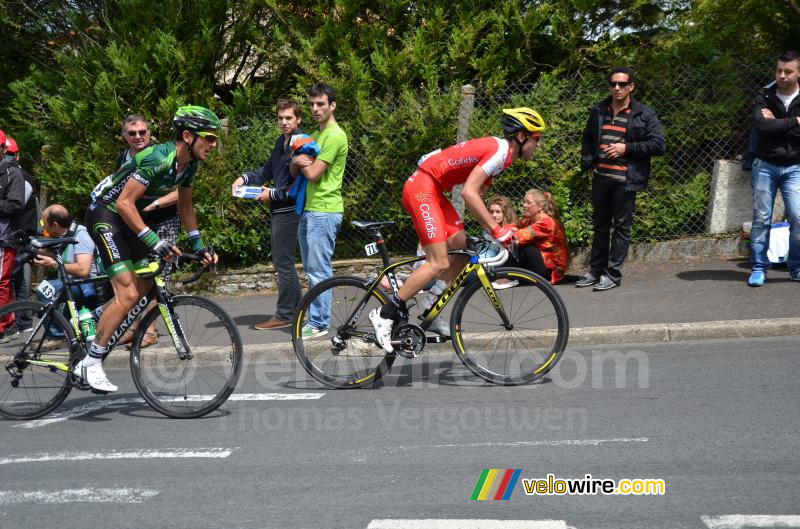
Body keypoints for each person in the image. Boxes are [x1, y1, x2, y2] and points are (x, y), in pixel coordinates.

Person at [368, 107, 546, 353]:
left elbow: (477, 200)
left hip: (435, 190)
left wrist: (495, 231)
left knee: (464, 252)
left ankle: (431, 306)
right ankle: (384, 315)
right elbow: (468, 193)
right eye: (537, 139)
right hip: (422, 187)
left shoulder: (503, 160)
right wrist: (497, 230)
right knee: (438, 262)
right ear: (521, 136)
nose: (539, 145)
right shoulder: (498, 150)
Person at [81, 105, 220, 392]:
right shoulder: (159, 157)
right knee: (127, 292)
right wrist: (154, 240)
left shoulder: (189, 164)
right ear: (188, 136)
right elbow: (122, 203)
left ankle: (98, 317)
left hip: (128, 219)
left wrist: (198, 244)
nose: (213, 143)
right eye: (208, 137)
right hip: (106, 215)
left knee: (146, 280)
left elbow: (185, 205)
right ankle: (91, 363)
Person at [576, 66, 666, 291]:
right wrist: (589, 164)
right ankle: (596, 271)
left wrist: (626, 148)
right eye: (613, 84)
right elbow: (587, 138)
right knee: (600, 226)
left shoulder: (644, 114)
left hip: (626, 180)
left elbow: (658, 144)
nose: (617, 88)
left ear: (631, 87)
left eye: (622, 84)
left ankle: (613, 274)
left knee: (621, 228)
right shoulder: (599, 110)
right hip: (601, 177)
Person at [231, 100, 303, 330]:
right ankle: (299, 309)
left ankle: (284, 315)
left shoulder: (300, 143)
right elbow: (267, 171)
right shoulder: (280, 142)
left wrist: (270, 194)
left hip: (289, 210)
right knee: (285, 263)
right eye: (281, 118)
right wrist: (244, 178)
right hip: (279, 210)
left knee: (283, 264)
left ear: (298, 120)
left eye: (289, 118)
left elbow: (297, 184)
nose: (284, 122)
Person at [290, 83, 348, 339]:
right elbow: (295, 169)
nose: (315, 108)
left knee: (319, 270)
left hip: (325, 211)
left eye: (320, 104)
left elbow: (312, 173)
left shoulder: (335, 135)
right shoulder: (315, 135)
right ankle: (316, 319)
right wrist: (297, 160)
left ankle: (320, 323)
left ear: (332, 105)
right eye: (312, 104)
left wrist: (299, 160)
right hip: (310, 210)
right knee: (311, 269)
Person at [112, 115, 173, 347]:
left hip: (162, 220)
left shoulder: (161, 156)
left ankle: (149, 331)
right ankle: (132, 326)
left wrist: (155, 203)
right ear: (124, 136)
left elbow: (182, 192)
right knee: (134, 276)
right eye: (132, 133)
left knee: (156, 276)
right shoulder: (123, 158)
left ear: (149, 133)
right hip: (135, 223)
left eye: (142, 132)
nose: (138, 136)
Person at [746, 50, 800, 286]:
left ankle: (796, 268)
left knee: (798, 218)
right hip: (765, 165)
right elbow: (761, 127)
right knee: (761, 218)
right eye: (779, 70)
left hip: (795, 166)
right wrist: (795, 122)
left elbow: (772, 128)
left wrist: (775, 123)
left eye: (788, 71)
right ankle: (759, 268)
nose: (782, 75)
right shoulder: (764, 95)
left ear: (798, 73)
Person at [33, 205, 98, 338]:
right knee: (70, 326)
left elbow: (83, 270)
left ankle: (57, 336)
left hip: (86, 286)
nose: (43, 227)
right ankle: (67, 333)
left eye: (43, 223)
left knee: (44, 289)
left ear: (55, 225)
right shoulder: (65, 234)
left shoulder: (81, 236)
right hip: (71, 283)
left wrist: (54, 264)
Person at [5, 136, 39, 333]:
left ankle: (23, 321)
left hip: (20, 235)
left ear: (17, 155)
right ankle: (19, 321)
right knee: (15, 279)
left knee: (19, 278)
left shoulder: (21, 177)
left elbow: (15, 207)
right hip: (14, 235)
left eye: (10, 154)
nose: (8, 157)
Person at [512, 189, 569, 284]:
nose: (524, 205)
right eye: (524, 202)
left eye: (528, 203)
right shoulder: (527, 220)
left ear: (540, 207)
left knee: (526, 247)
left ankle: (509, 278)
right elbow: (514, 229)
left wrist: (501, 231)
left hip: (550, 271)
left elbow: (519, 235)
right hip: (540, 264)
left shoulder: (546, 222)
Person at [0, 129, 25, 343]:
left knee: (2, 282)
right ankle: (8, 323)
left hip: (4, 237)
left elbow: (15, 204)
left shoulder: (12, 172)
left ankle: (4, 326)